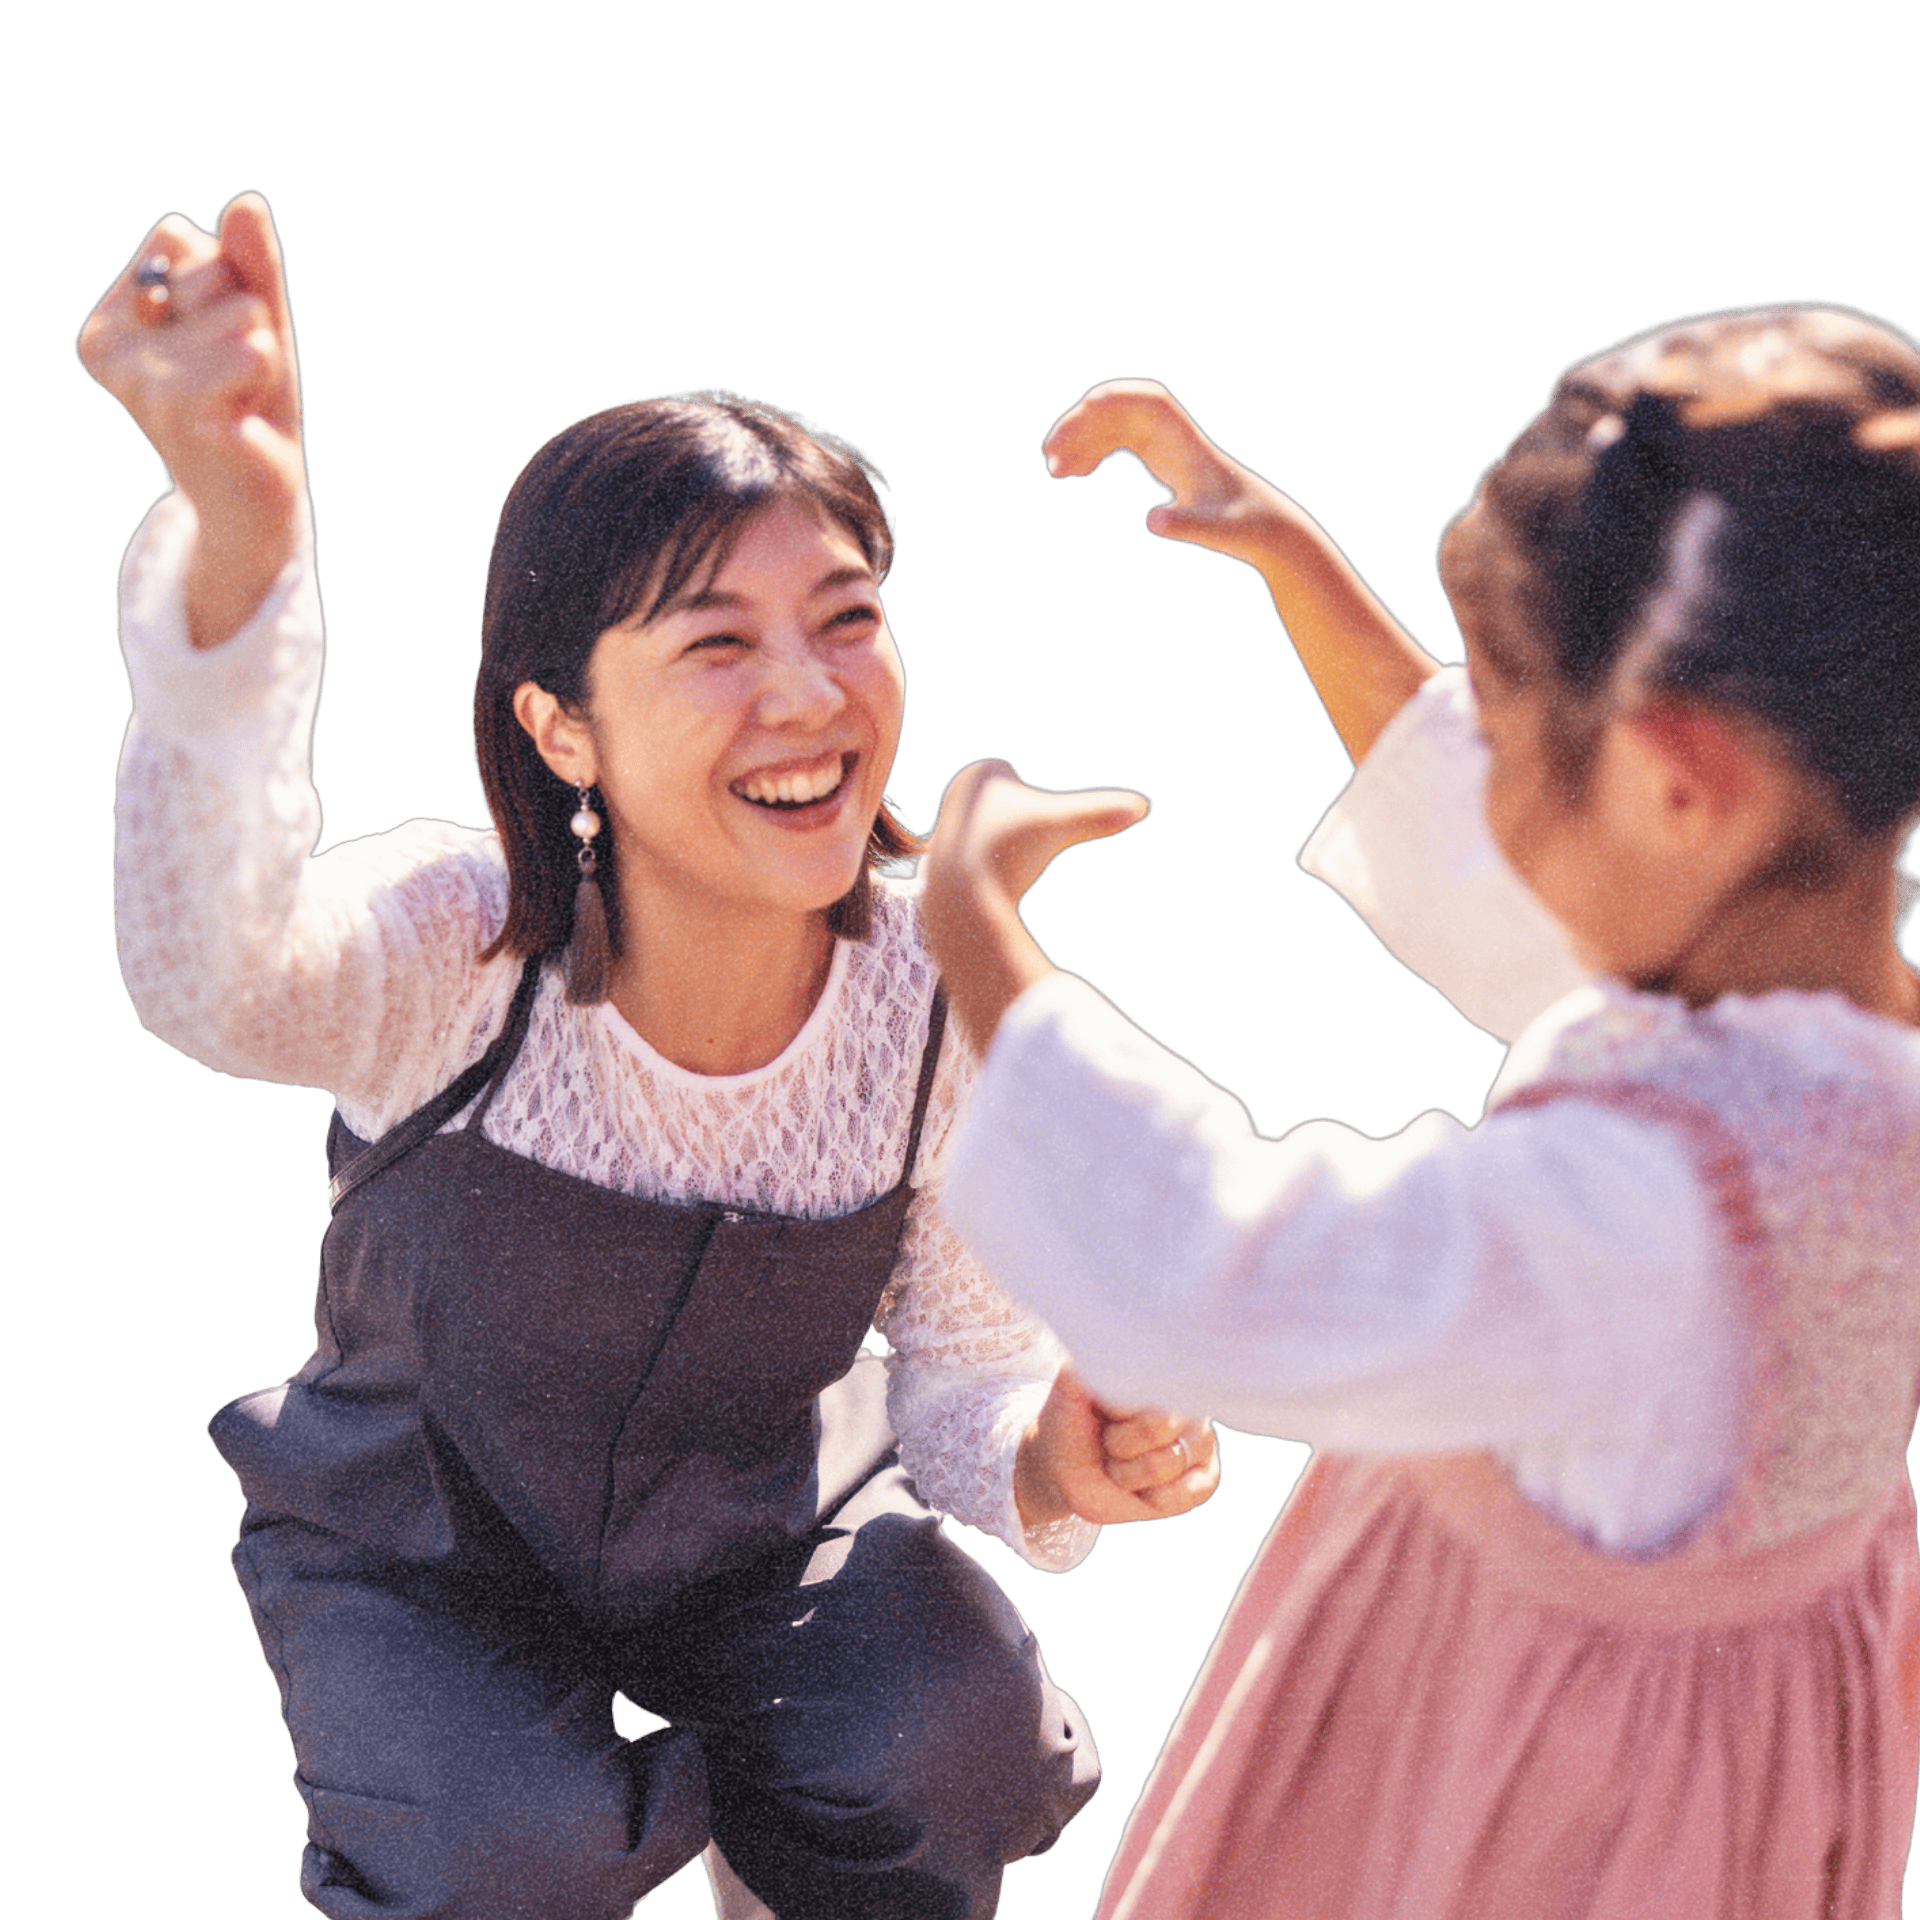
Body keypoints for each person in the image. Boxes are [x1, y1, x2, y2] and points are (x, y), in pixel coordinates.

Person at [79, 191, 1221, 1920]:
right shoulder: (455, 940)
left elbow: (962, 1379)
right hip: (422, 1547)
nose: (810, 696)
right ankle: (549, 1802)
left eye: (847, 618)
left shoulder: (935, 986)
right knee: (504, 1845)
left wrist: (1068, 1446)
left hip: (763, 1536)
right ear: (561, 727)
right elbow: (207, 976)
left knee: (948, 1732)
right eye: (716, 644)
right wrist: (239, 534)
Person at [918, 306, 1920, 1918]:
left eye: (1513, 723)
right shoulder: (1828, 1060)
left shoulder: (1633, 1226)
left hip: (1511, 1795)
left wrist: (973, 937)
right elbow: (1513, 871)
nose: (1484, 761)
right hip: (1732, 1789)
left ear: (1677, 786)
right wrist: (1299, 567)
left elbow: (1213, 1271)